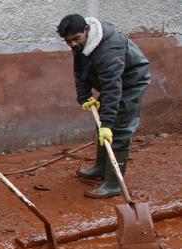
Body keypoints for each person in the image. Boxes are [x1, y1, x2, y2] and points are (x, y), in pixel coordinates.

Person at [57, 14, 151, 198]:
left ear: (86, 30)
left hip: (130, 84)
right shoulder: (80, 42)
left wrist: (108, 124)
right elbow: (79, 70)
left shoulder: (109, 49)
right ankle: (101, 168)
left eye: (76, 39)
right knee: (101, 124)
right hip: (111, 82)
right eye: (68, 41)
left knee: (119, 130)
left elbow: (112, 88)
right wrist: (84, 96)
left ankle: (114, 184)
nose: (73, 44)